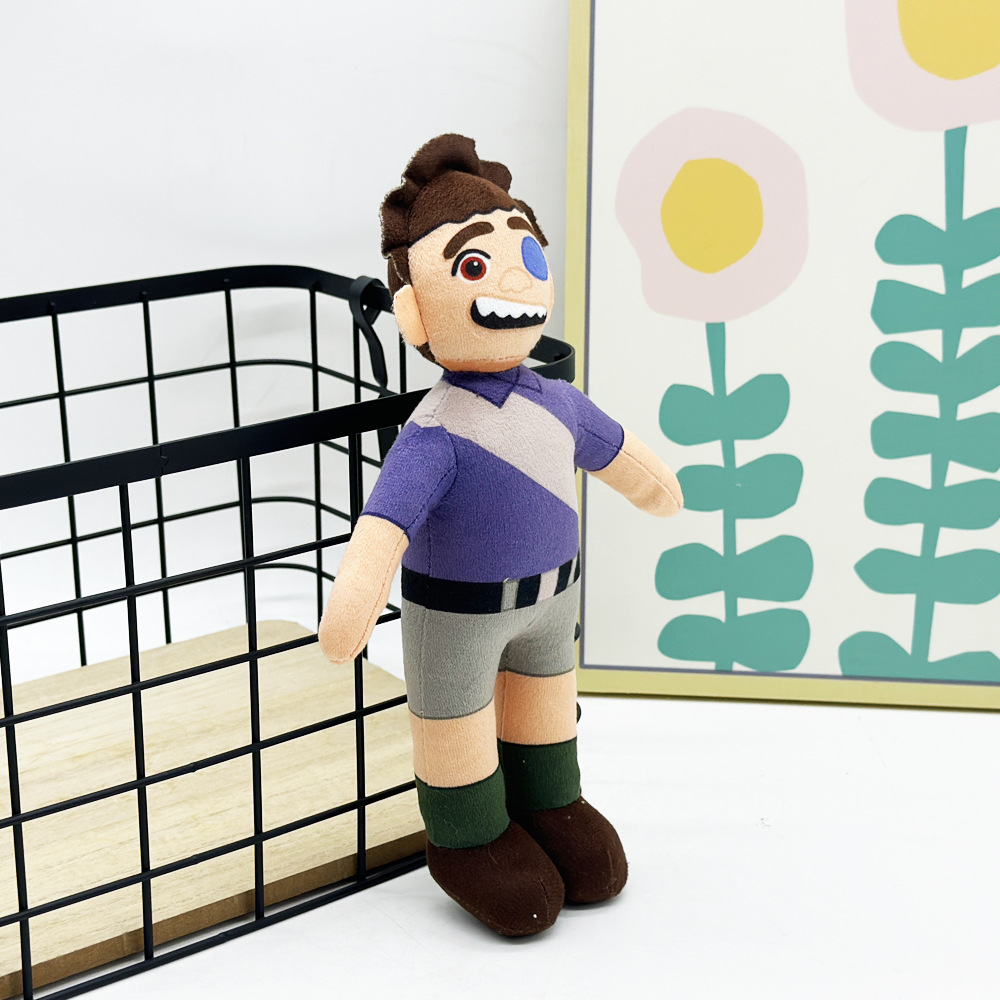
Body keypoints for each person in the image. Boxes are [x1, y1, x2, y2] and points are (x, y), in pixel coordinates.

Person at [319, 134, 682, 936]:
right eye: (476, 265)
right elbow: (384, 526)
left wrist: (658, 488)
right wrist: (351, 609)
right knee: (454, 726)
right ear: (416, 309)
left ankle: (550, 803)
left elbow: (623, 456)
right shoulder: (435, 433)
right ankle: (469, 838)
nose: (512, 280)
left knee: (545, 711)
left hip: (554, 606)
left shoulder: (558, 402)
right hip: (458, 616)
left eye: (524, 255)